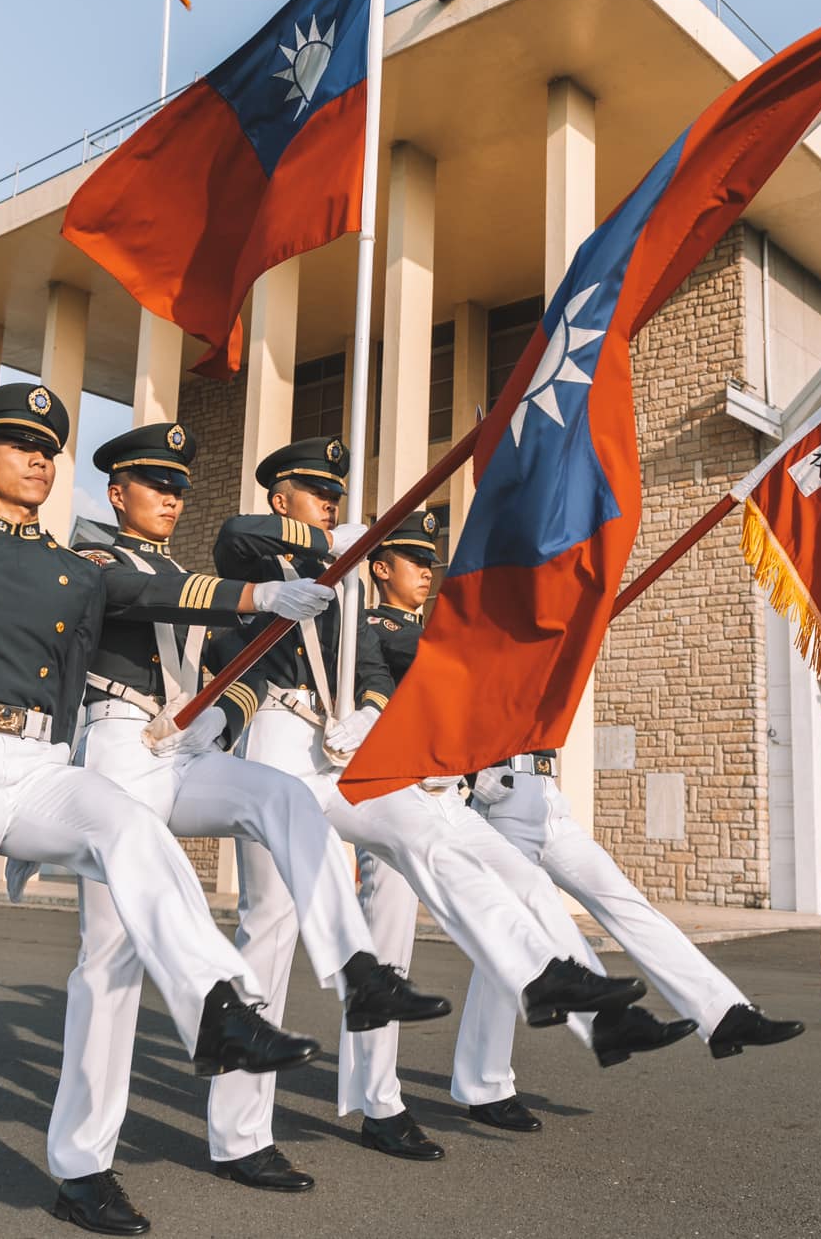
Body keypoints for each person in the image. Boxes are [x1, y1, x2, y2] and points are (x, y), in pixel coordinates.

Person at [0, 385, 331, 1239]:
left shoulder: (75, 567)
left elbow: (158, 599)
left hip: (38, 765)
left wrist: (261, 603)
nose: (37, 458)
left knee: (129, 825)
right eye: (16, 442)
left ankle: (217, 1005)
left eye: (47, 447)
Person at [24, 422, 450, 1236]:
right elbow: (155, 596)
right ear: (117, 494)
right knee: (112, 962)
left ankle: (353, 970)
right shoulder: (95, 557)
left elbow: (241, 660)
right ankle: (82, 1169)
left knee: (283, 802)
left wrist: (224, 715)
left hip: (178, 752)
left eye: (179, 486)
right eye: (156, 484)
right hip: (120, 746)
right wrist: (279, 579)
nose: (172, 497)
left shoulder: (182, 573)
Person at [206, 441, 650, 1192]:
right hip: (279, 738)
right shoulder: (267, 556)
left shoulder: (345, 587)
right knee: (274, 925)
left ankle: (385, 1095)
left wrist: (370, 712)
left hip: (348, 743)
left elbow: (374, 670)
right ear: (283, 499)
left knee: (412, 879)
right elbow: (234, 538)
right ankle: (240, 1131)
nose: (330, 504)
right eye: (315, 494)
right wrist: (336, 545)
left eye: (335, 496)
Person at [351, 515, 707, 1134]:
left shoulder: (437, 633)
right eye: (415, 563)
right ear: (381, 568)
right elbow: (452, 671)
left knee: (524, 898)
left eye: (431, 564)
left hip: (444, 805)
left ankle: (597, 1020)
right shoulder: (380, 630)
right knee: (388, 961)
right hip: (390, 800)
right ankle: (377, 1103)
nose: (427, 575)